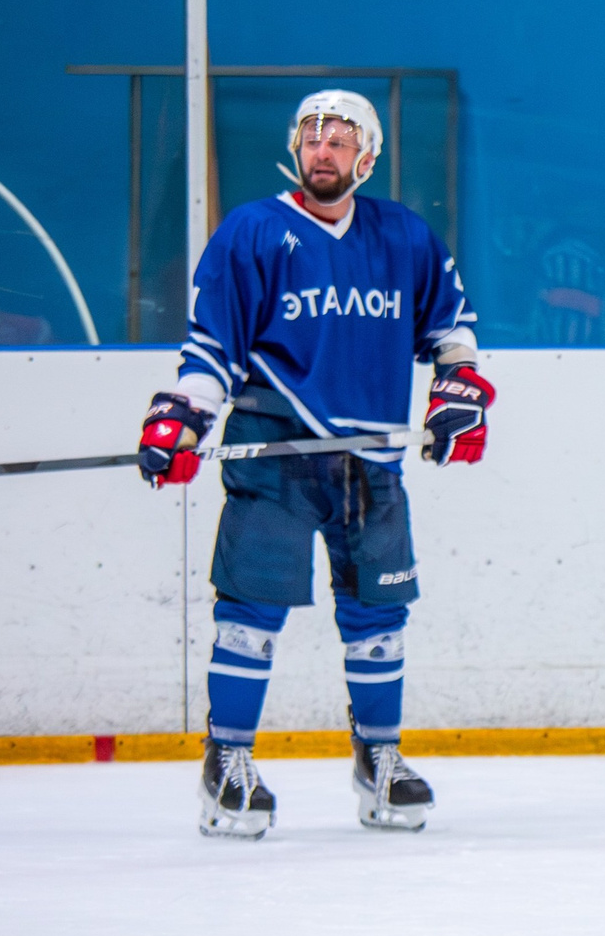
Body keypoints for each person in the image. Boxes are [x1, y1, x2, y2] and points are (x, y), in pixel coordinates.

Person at [135, 90, 492, 839]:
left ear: (368, 155)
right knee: (250, 612)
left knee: (379, 619)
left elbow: (452, 325)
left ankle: (380, 759)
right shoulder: (254, 231)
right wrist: (183, 415)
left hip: (372, 463)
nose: (322, 149)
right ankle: (227, 759)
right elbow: (212, 348)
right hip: (275, 447)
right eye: (311, 136)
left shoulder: (404, 237)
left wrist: (459, 388)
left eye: (339, 138)